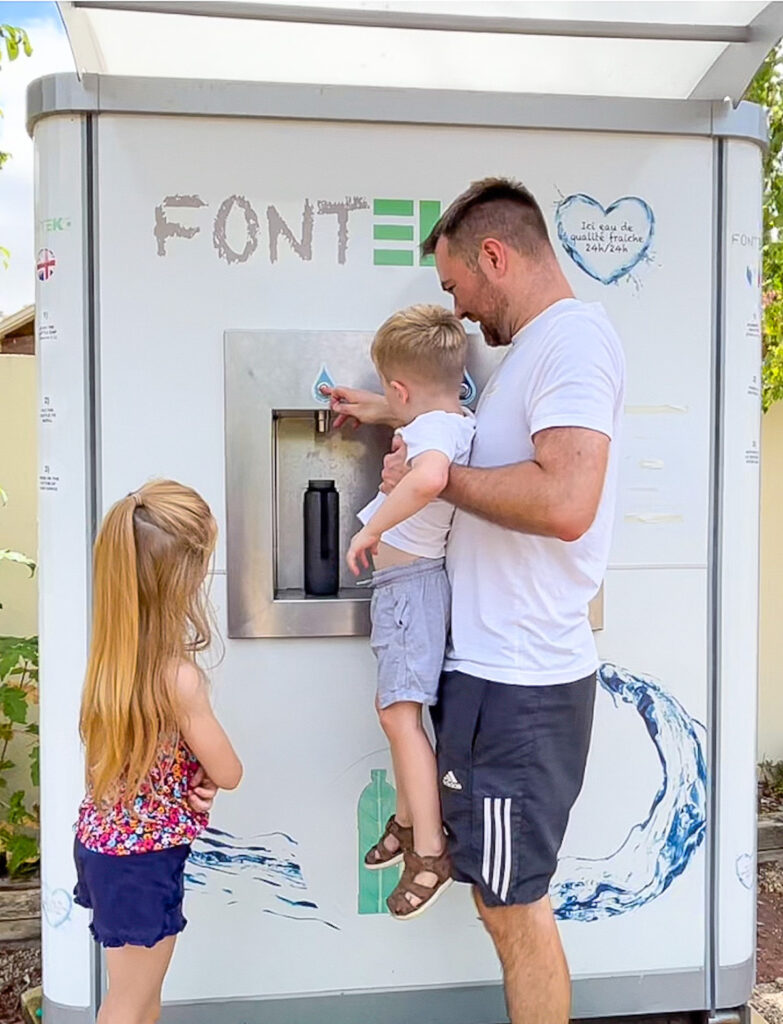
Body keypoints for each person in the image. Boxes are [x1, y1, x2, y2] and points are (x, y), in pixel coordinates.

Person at [329, 178, 625, 1024]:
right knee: (497, 897)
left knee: (512, 907)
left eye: (456, 286)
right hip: (491, 677)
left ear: (494, 256)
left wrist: (435, 483)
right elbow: (461, 434)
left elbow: (566, 501)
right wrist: (395, 414)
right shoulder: (529, 353)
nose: (456, 308)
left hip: (522, 687)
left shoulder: (571, 345)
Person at [74, 480, 243, 1024]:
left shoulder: (109, 667)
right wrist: (211, 774)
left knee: (140, 998)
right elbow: (230, 771)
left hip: (108, 852)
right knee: (127, 1004)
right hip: (142, 864)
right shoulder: (179, 680)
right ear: (182, 580)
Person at [347, 304, 475, 920]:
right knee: (395, 711)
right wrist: (372, 408)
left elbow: (427, 480)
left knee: (400, 717)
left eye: (388, 394)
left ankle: (429, 852)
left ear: (402, 389)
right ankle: (405, 817)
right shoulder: (453, 418)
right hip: (410, 591)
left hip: (408, 589)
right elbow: (422, 427)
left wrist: (371, 532)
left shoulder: (432, 440)